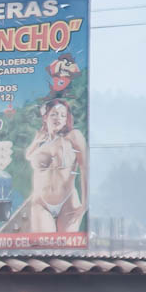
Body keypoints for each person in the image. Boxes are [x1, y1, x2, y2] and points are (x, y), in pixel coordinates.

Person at [24, 98, 88, 233]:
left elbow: (84, 168)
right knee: (44, 246)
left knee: (66, 247)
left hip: (68, 201)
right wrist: (35, 142)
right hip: (41, 202)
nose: (58, 117)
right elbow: (28, 156)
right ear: (45, 117)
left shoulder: (73, 136)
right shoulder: (41, 140)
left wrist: (85, 204)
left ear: (66, 120)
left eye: (63, 115)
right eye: (54, 114)